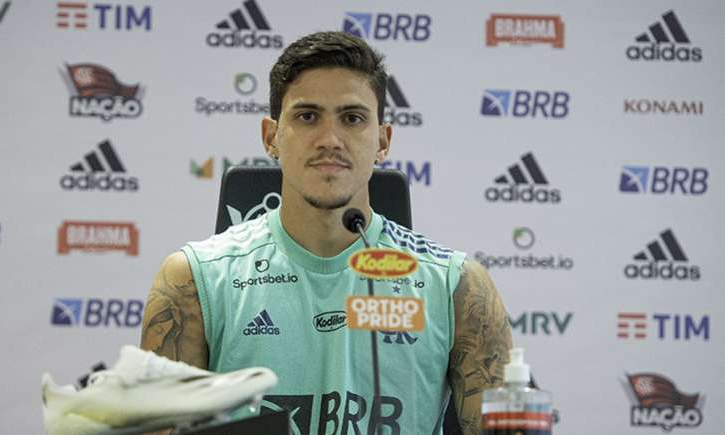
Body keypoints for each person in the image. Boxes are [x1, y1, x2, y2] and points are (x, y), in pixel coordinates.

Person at [140, 31, 512, 435]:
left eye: (352, 118)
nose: (330, 140)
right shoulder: (195, 280)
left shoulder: (454, 285)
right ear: (271, 137)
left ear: (382, 141)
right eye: (307, 116)